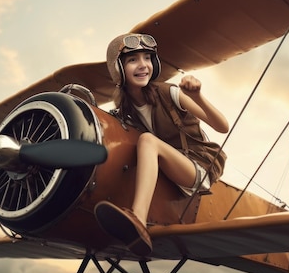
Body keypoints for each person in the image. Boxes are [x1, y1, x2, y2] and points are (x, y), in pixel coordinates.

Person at [94, 33, 229, 256]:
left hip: (199, 167)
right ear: (118, 69)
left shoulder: (170, 93)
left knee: (146, 141)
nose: (143, 65)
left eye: (147, 58)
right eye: (133, 60)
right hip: (168, 173)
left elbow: (222, 126)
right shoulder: (124, 112)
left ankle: (137, 219)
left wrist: (197, 96)